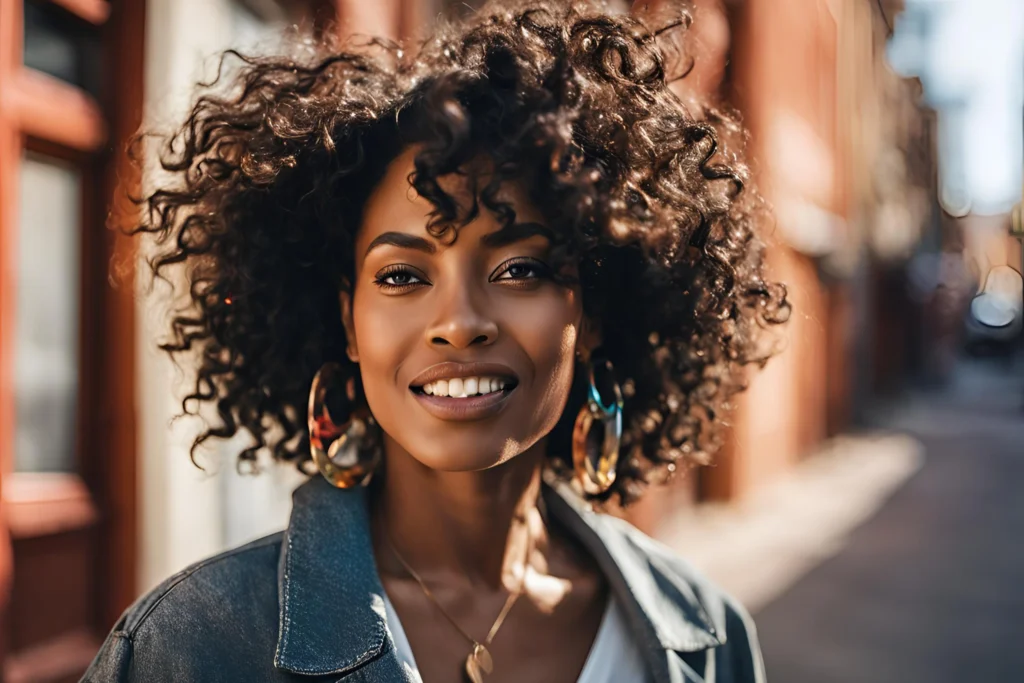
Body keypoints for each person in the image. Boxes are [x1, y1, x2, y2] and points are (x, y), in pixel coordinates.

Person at [83, 1, 789, 681]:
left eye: (520, 267)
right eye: (400, 274)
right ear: (347, 321)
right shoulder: (189, 649)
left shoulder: (707, 637)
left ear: (594, 311)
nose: (459, 320)